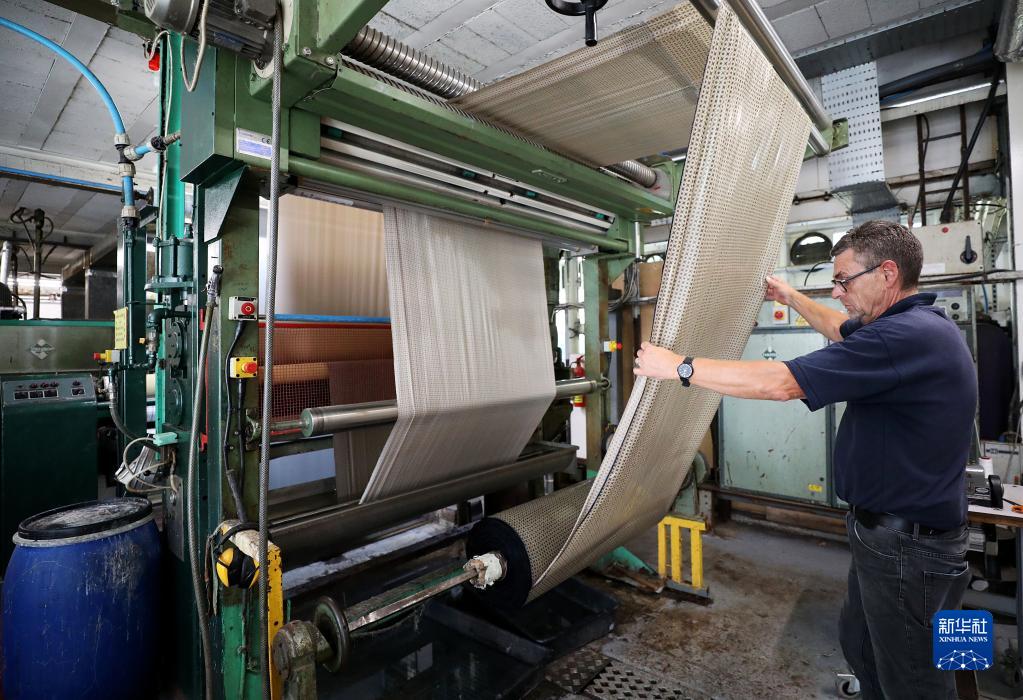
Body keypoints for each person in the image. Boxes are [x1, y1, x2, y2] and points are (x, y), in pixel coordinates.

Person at [634, 220, 977, 699]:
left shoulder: (902, 337)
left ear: (887, 273)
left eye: (844, 281)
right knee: (862, 647)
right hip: (890, 536)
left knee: (916, 681)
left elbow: (782, 383)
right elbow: (839, 329)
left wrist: (679, 367)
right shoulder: (913, 325)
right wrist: (790, 296)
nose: (837, 292)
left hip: (908, 547)